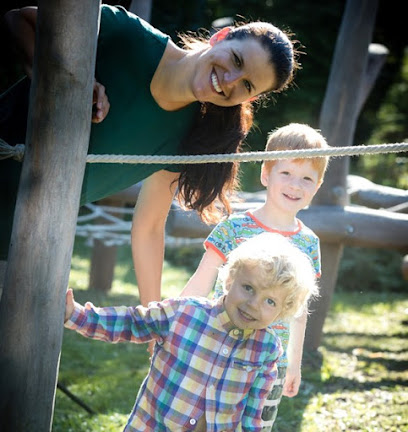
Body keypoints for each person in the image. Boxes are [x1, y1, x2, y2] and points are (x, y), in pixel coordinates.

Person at [0, 4, 300, 307]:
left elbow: (149, 227)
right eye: (236, 59)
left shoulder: (191, 133)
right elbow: (20, 19)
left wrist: (152, 319)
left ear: (251, 98)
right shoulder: (128, 33)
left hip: (22, 243)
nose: (231, 80)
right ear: (221, 36)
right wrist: (68, 83)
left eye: (247, 84)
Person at [64, 233, 319, 431]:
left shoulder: (267, 349)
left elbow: (253, 412)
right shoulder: (184, 313)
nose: (253, 304)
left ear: (283, 311)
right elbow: (131, 322)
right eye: (249, 288)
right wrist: (77, 315)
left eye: (270, 301)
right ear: (229, 280)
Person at [181, 123, 330, 430]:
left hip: (270, 363)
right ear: (266, 174)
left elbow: (298, 311)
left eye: (306, 178)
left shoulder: (309, 243)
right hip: (219, 348)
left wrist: (294, 363)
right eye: (286, 173)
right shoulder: (235, 228)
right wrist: (177, 324)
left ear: (317, 187)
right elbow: (202, 280)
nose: (295, 185)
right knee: (203, 422)